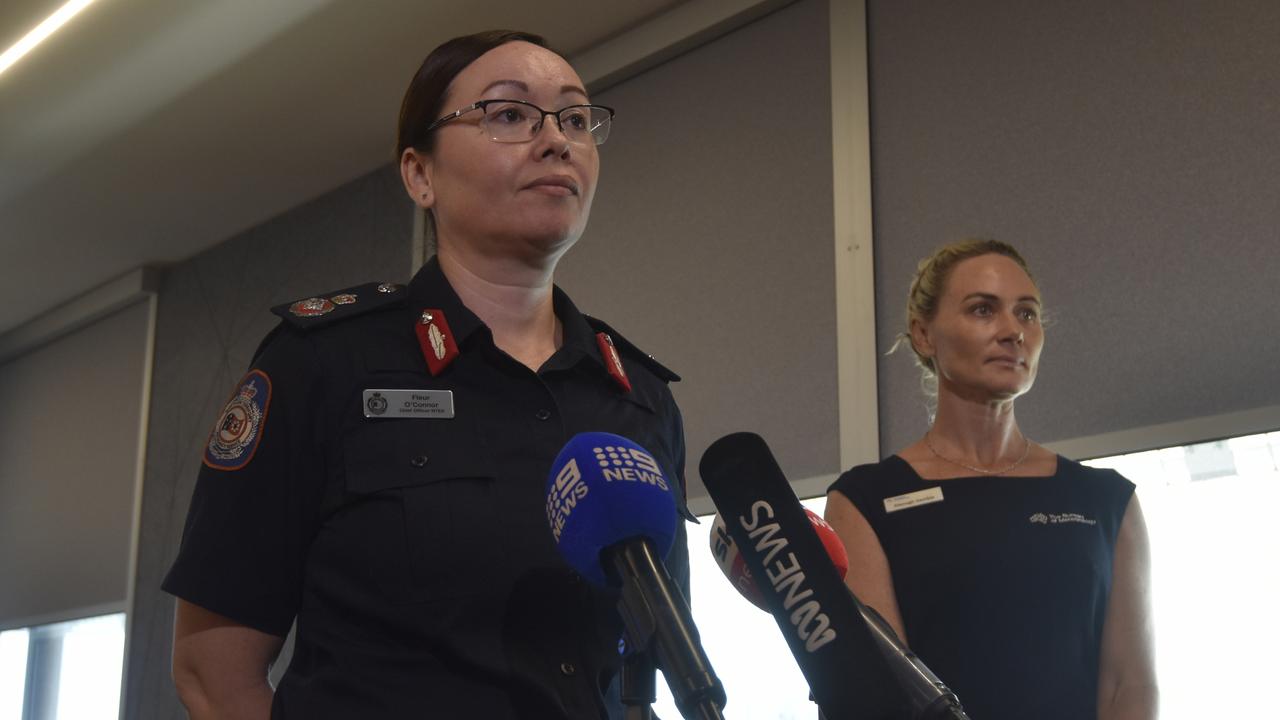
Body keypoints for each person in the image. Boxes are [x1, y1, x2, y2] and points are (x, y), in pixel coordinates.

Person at [164, 30, 693, 719]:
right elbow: (212, 674)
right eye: (508, 115)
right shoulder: (322, 362)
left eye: (573, 118)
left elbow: (652, 663)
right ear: (420, 174)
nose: (556, 140)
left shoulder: (639, 396)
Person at [825, 239, 1158, 719]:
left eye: (1026, 314)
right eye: (983, 309)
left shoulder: (1106, 499)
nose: (1012, 332)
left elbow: (1130, 685)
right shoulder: (866, 500)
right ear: (923, 334)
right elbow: (884, 698)